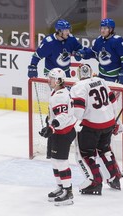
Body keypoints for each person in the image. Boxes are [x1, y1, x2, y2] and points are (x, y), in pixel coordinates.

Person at [28, 19, 82, 159]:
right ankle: (52, 141)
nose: (68, 33)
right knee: (54, 108)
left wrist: (81, 52)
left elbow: (78, 48)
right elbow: (37, 56)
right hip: (52, 78)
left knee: (67, 105)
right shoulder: (49, 42)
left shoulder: (70, 39)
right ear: (58, 31)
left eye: (68, 30)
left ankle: (66, 132)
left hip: (66, 76)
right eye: (65, 31)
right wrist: (32, 67)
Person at [70, 64, 122, 195]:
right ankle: (115, 176)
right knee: (104, 149)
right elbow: (114, 102)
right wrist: (116, 121)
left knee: (86, 154)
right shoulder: (101, 81)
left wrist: (73, 123)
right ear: (91, 72)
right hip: (108, 123)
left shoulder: (78, 87)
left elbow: (78, 112)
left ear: (78, 74)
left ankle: (95, 181)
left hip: (91, 126)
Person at [39, 68, 76, 206]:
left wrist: (52, 126)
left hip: (63, 133)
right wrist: (49, 124)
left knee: (61, 162)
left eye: (51, 78)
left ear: (59, 80)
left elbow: (63, 116)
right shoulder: (58, 92)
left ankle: (68, 192)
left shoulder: (59, 96)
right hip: (59, 131)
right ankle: (61, 187)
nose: (49, 80)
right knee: (55, 161)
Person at [74, 18, 123, 84]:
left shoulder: (117, 41)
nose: (102, 30)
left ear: (111, 30)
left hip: (113, 77)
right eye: (101, 28)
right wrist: (83, 53)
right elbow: (93, 52)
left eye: (105, 29)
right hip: (101, 75)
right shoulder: (99, 40)